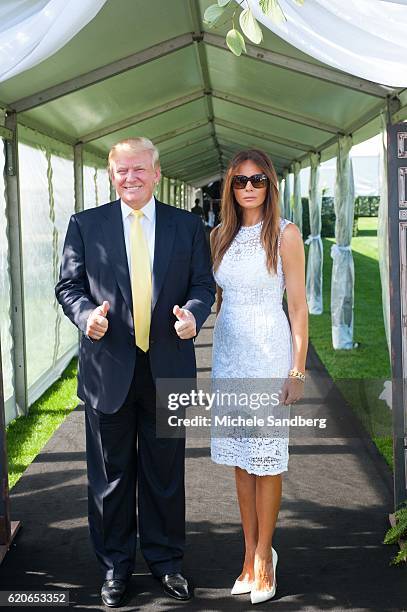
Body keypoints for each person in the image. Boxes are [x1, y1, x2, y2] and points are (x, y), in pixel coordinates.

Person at [55, 137, 215, 608]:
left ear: (157, 172)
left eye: (139, 169)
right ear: (111, 174)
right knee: (110, 476)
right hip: (109, 369)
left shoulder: (186, 226)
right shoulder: (87, 225)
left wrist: (194, 315)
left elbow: (203, 284)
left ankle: (167, 562)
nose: (131, 178)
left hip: (169, 367)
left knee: (165, 472)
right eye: (122, 170)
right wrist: (87, 316)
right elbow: (68, 284)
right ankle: (114, 567)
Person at [210, 149, 308, 605]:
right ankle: (249, 554)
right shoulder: (219, 236)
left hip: (270, 353)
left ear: (270, 184)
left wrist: (297, 368)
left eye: (257, 180)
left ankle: (267, 558)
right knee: (240, 459)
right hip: (229, 356)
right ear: (229, 188)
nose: (248, 188)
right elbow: (214, 299)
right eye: (239, 181)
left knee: (267, 460)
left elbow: (298, 306)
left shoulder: (286, 235)